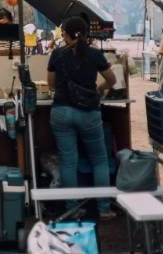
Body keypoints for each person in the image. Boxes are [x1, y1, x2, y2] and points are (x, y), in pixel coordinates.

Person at [47, 16, 117, 219]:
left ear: (66, 34)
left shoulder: (57, 54)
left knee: (68, 161)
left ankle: (73, 208)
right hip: (89, 113)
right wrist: (97, 89)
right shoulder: (95, 54)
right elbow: (111, 80)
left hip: (61, 111)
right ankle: (104, 208)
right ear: (86, 34)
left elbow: (51, 85)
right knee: (99, 160)